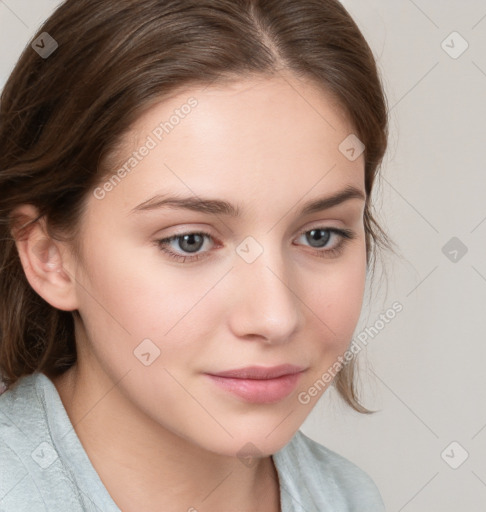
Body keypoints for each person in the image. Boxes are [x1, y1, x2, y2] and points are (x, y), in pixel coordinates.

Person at [0, 0, 395, 510]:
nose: (275, 318)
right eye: (190, 241)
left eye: (319, 236)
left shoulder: (349, 498)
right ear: (49, 255)